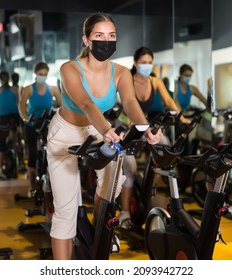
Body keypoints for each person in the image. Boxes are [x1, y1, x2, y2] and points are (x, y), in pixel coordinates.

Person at [46, 12, 161, 260]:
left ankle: (99, 232)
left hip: (97, 130)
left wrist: (145, 127)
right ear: (87, 39)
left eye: (111, 36)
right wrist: (106, 129)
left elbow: (130, 102)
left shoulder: (120, 72)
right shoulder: (69, 69)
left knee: (113, 183)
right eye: (99, 35)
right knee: (65, 209)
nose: (106, 41)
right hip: (66, 132)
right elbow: (86, 103)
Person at [117, 46, 184, 229]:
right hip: (127, 128)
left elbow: (169, 101)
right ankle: (124, 212)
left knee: (166, 145)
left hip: (145, 128)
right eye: (143, 62)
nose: (146, 66)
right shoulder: (127, 80)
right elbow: (126, 104)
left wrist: (181, 116)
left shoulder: (155, 82)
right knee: (129, 169)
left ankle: (151, 189)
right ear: (135, 63)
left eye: (149, 63)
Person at [19, 62, 61, 198]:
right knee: (32, 155)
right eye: (40, 74)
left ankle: (51, 184)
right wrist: (26, 118)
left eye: (45, 74)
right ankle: (31, 187)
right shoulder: (28, 89)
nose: (43, 77)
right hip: (32, 125)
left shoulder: (53, 89)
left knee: (50, 154)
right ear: (35, 74)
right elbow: (21, 106)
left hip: (47, 125)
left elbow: (63, 106)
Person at [0, 70, 20, 174]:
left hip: (4, 117)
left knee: (2, 141)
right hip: (15, 116)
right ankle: (18, 162)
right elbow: (18, 103)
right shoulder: (15, 89)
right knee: (16, 140)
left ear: (0, 79)